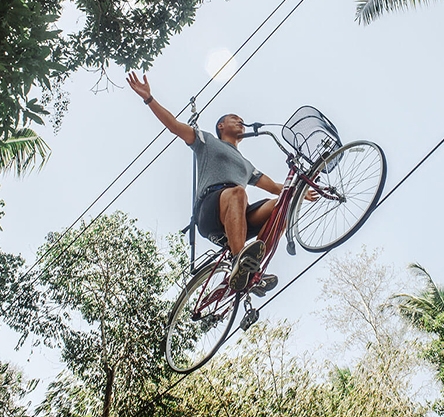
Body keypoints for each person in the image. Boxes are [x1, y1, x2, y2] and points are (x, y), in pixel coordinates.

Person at [126, 72, 313, 295]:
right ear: (221, 125)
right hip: (210, 212)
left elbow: (275, 186)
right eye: (234, 118)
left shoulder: (246, 165)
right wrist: (149, 98)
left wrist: (300, 192)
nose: (240, 121)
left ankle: (251, 270)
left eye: (241, 120)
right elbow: (174, 126)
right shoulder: (207, 141)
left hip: (237, 217)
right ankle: (238, 261)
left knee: (281, 205)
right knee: (238, 193)